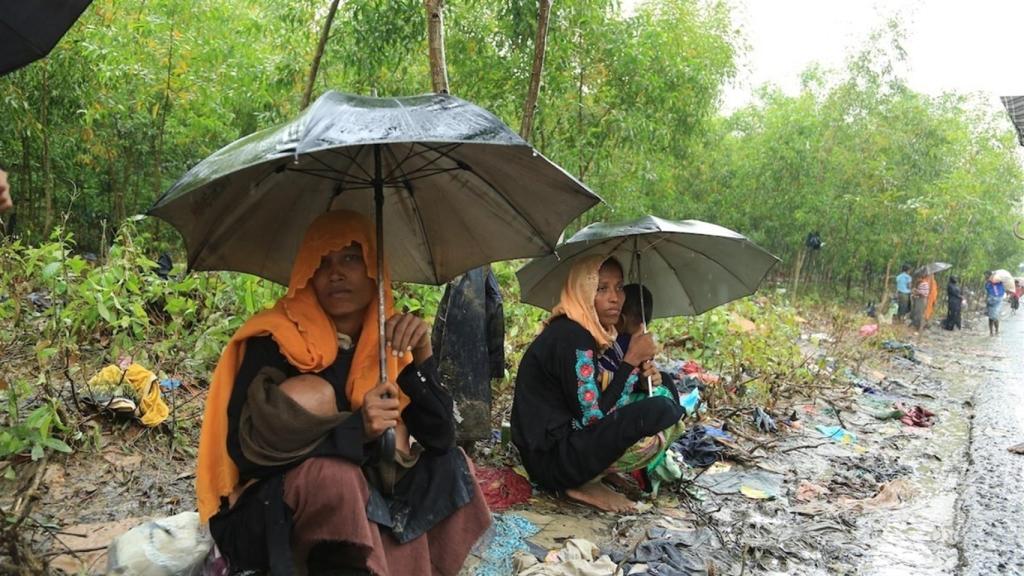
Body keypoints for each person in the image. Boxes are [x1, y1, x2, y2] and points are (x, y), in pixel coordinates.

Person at [197, 210, 490, 575]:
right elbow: (247, 454)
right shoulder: (276, 340)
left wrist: (422, 359)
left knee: (450, 465)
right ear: (307, 274)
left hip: (361, 513)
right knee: (337, 474)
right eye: (322, 262)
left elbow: (442, 437)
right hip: (269, 515)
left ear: (374, 270)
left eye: (351, 258)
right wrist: (355, 430)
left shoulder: (390, 341)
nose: (335, 273)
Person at [511, 256, 685, 513]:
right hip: (553, 463)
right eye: (601, 289)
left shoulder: (584, 332)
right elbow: (593, 417)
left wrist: (639, 379)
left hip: (560, 446)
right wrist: (629, 361)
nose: (615, 298)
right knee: (660, 409)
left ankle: (596, 472)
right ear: (583, 292)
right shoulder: (573, 337)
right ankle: (581, 482)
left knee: (664, 384)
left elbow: (591, 394)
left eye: (619, 288)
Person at [985, 271, 1006, 336]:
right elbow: (988, 291)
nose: (986, 277)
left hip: (996, 301)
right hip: (991, 301)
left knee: (994, 317)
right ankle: (992, 332)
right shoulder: (988, 283)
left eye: (987, 276)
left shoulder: (999, 282)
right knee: (991, 317)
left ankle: (996, 331)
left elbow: (1002, 290)